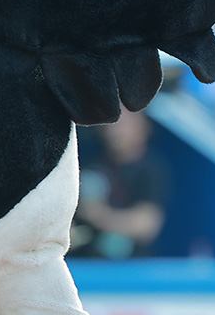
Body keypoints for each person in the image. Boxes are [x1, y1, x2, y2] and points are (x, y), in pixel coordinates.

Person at [70, 107, 170, 259]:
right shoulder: (88, 167)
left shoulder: (151, 170)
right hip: (88, 267)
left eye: (124, 124)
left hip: (130, 270)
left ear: (143, 126)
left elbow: (146, 225)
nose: (115, 131)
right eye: (112, 123)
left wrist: (99, 215)